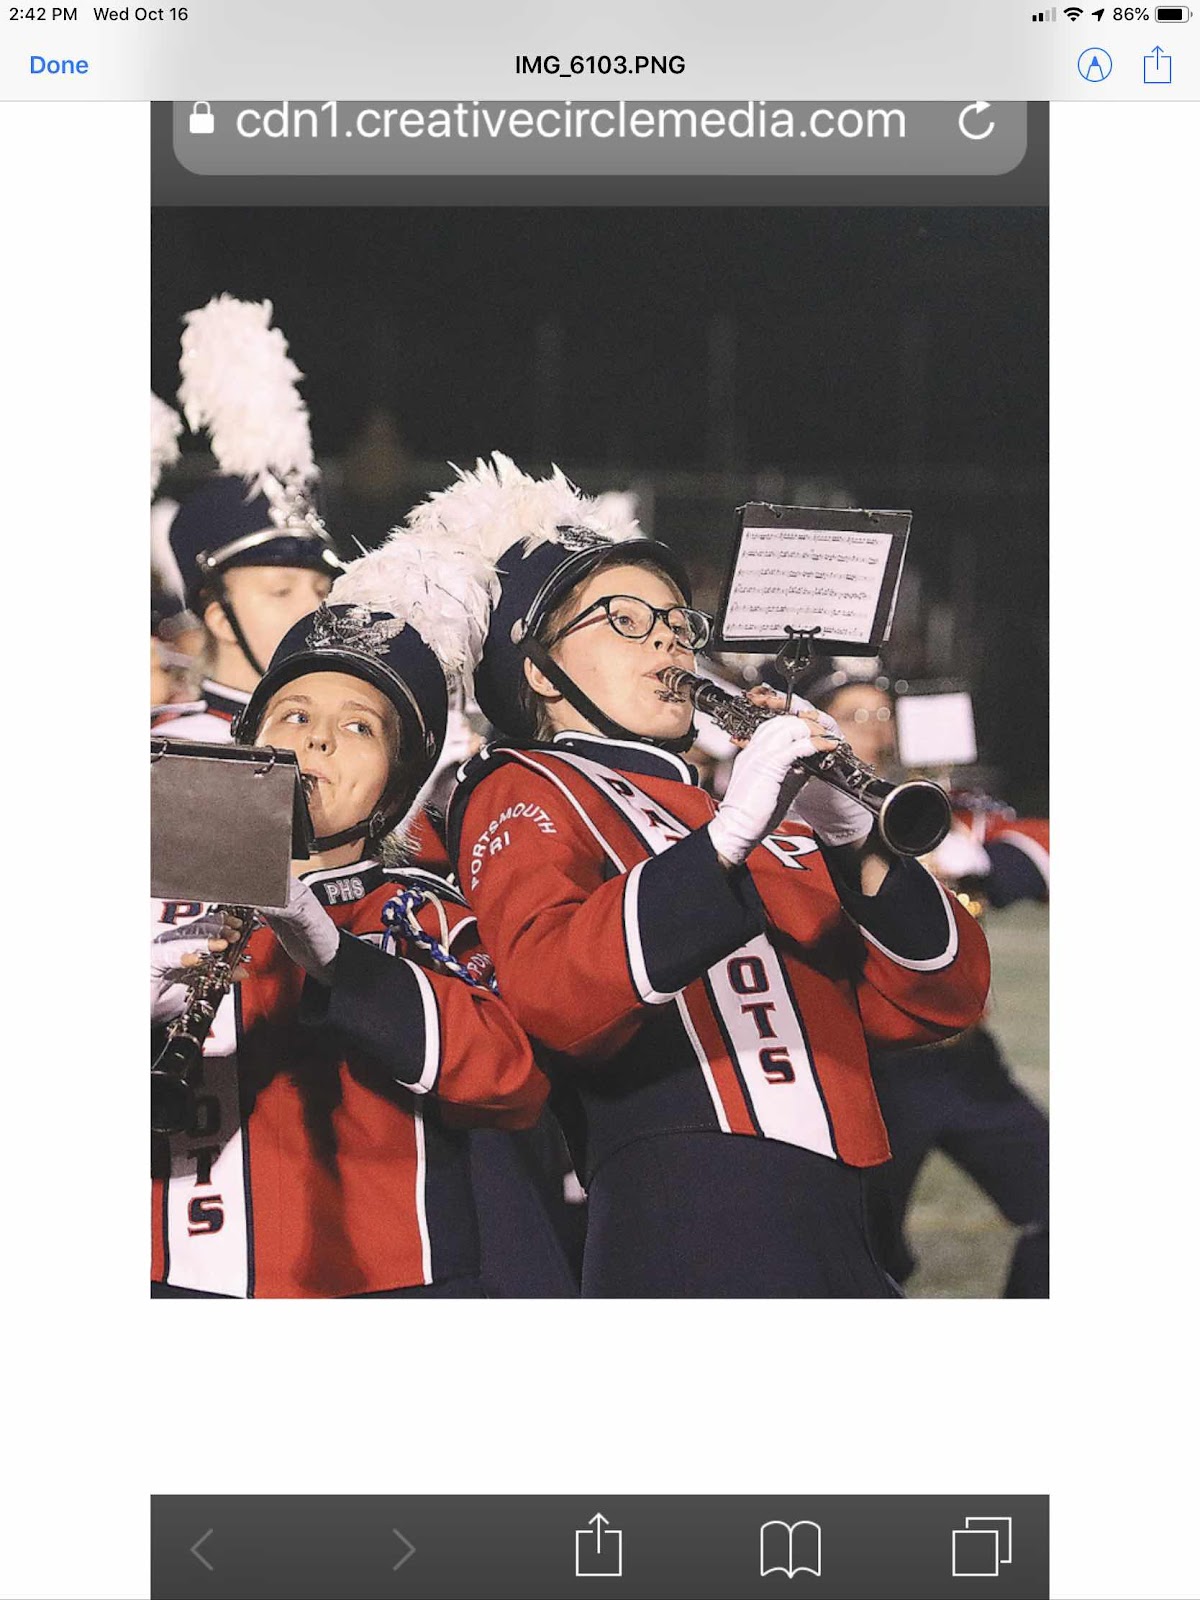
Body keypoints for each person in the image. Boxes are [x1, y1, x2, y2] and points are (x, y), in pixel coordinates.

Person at [404, 454, 991, 1297]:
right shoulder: (523, 784)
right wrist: (720, 844)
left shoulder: (754, 818)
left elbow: (943, 1000)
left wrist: (854, 839)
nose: (669, 639)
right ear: (538, 669)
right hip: (685, 1212)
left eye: (678, 621)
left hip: (837, 1219)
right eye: (625, 620)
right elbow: (550, 992)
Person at [151, 557, 549, 1298]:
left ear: (397, 784)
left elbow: (512, 1079)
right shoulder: (151, 897)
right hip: (169, 1276)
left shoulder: (424, 910)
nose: (318, 741)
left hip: (382, 1286)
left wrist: (345, 964)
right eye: (294, 715)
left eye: (358, 726)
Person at [794, 657, 1049, 1298]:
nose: (875, 728)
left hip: (965, 1062)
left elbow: (1045, 849)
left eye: (883, 713)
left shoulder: (935, 808)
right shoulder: (793, 815)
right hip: (871, 1069)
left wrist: (982, 863)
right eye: (855, 715)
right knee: (866, 1258)